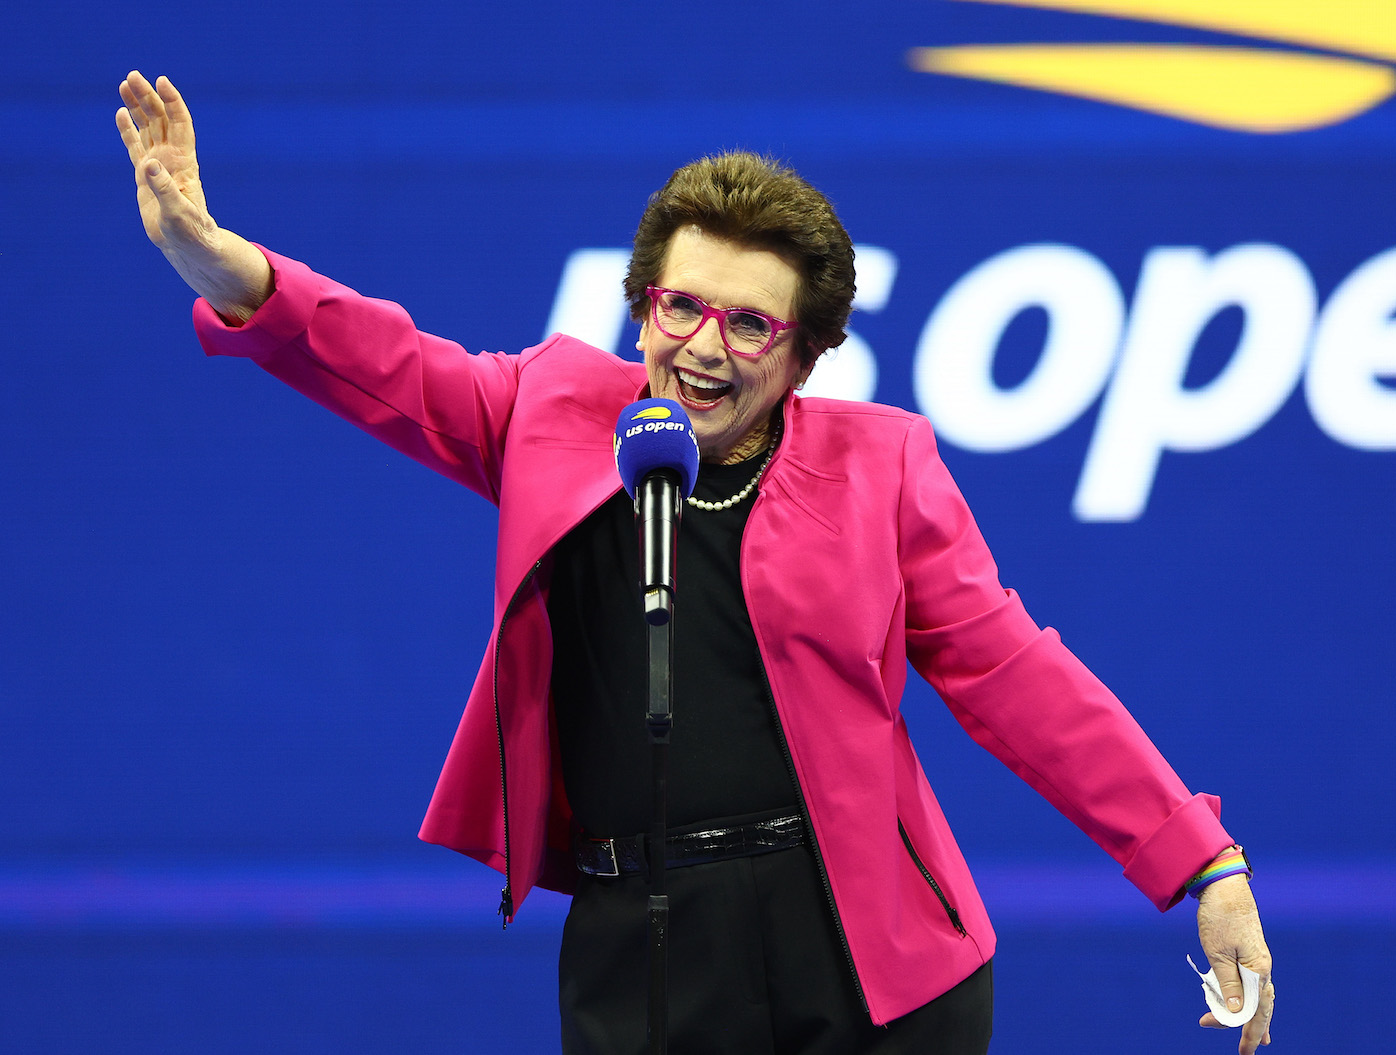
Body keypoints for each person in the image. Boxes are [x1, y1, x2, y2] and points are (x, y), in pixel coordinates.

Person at [116, 70, 1274, 1054]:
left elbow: (1016, 676)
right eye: (681, 306)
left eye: (751, 323)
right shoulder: (547, 413)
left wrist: (1203, 861)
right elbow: (382, 362)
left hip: (870, 954)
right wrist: (224, 266)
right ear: (642, 308)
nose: (704, 346)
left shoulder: (883, 465)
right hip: (642, 940)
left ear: (805, 354)